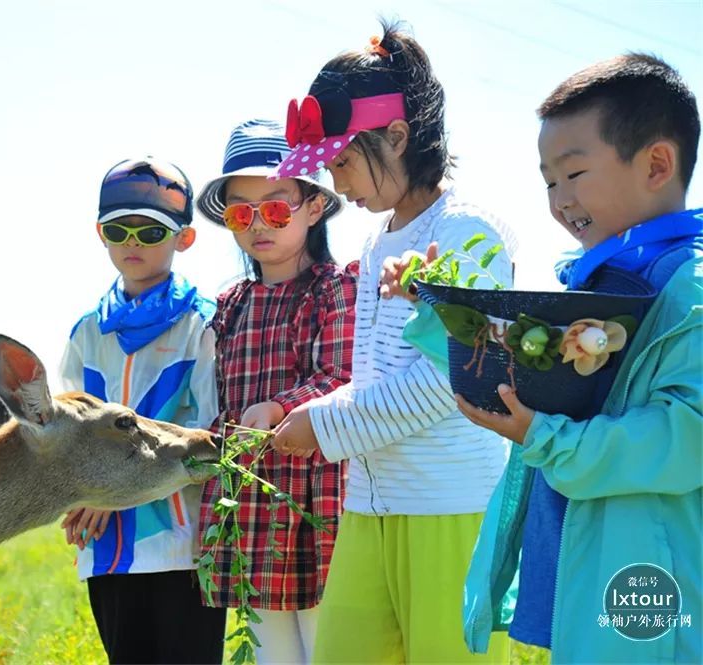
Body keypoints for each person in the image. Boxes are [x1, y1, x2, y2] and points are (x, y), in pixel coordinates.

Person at [432, 53, 699, 663]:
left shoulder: (689, 289)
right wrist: (437, 308)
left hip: (649, 575)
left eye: (574, 173)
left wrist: (548, 439)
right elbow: (515, 369)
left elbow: (685, 436)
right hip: (585, 555)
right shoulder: (604, 278)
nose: (559, 199)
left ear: (657, 163)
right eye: (549, 181)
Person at [270, 22, 515, 663]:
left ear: (398, 136)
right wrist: (305, 416)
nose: (336, 182)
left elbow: (449, 378)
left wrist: (323, 427)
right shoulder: (377, 241)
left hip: (451, 504)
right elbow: (375, 378)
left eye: (342, 161)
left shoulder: (468, 231)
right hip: (371, 504)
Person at [195, 118, 356, 664]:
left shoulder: (336, 289)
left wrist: (279, 407)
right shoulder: (230, 305)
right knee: (268, 652)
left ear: (315, 207)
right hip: (253, 507)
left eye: (277, 208)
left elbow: (341, 378)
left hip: (318, 500)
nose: (259, 224)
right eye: (242, 212)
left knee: (327, 646)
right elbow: (219, 401)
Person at [58, 157, 226, 664]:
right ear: (100, 234)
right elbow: (65, 430)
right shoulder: (88, 331)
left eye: (151, 230)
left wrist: (114, 494)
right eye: (119, 229)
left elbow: (211, 435)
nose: (133, 242)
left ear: (184, 239)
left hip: (183, 548)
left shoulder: (202, 323)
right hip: (107, 552)